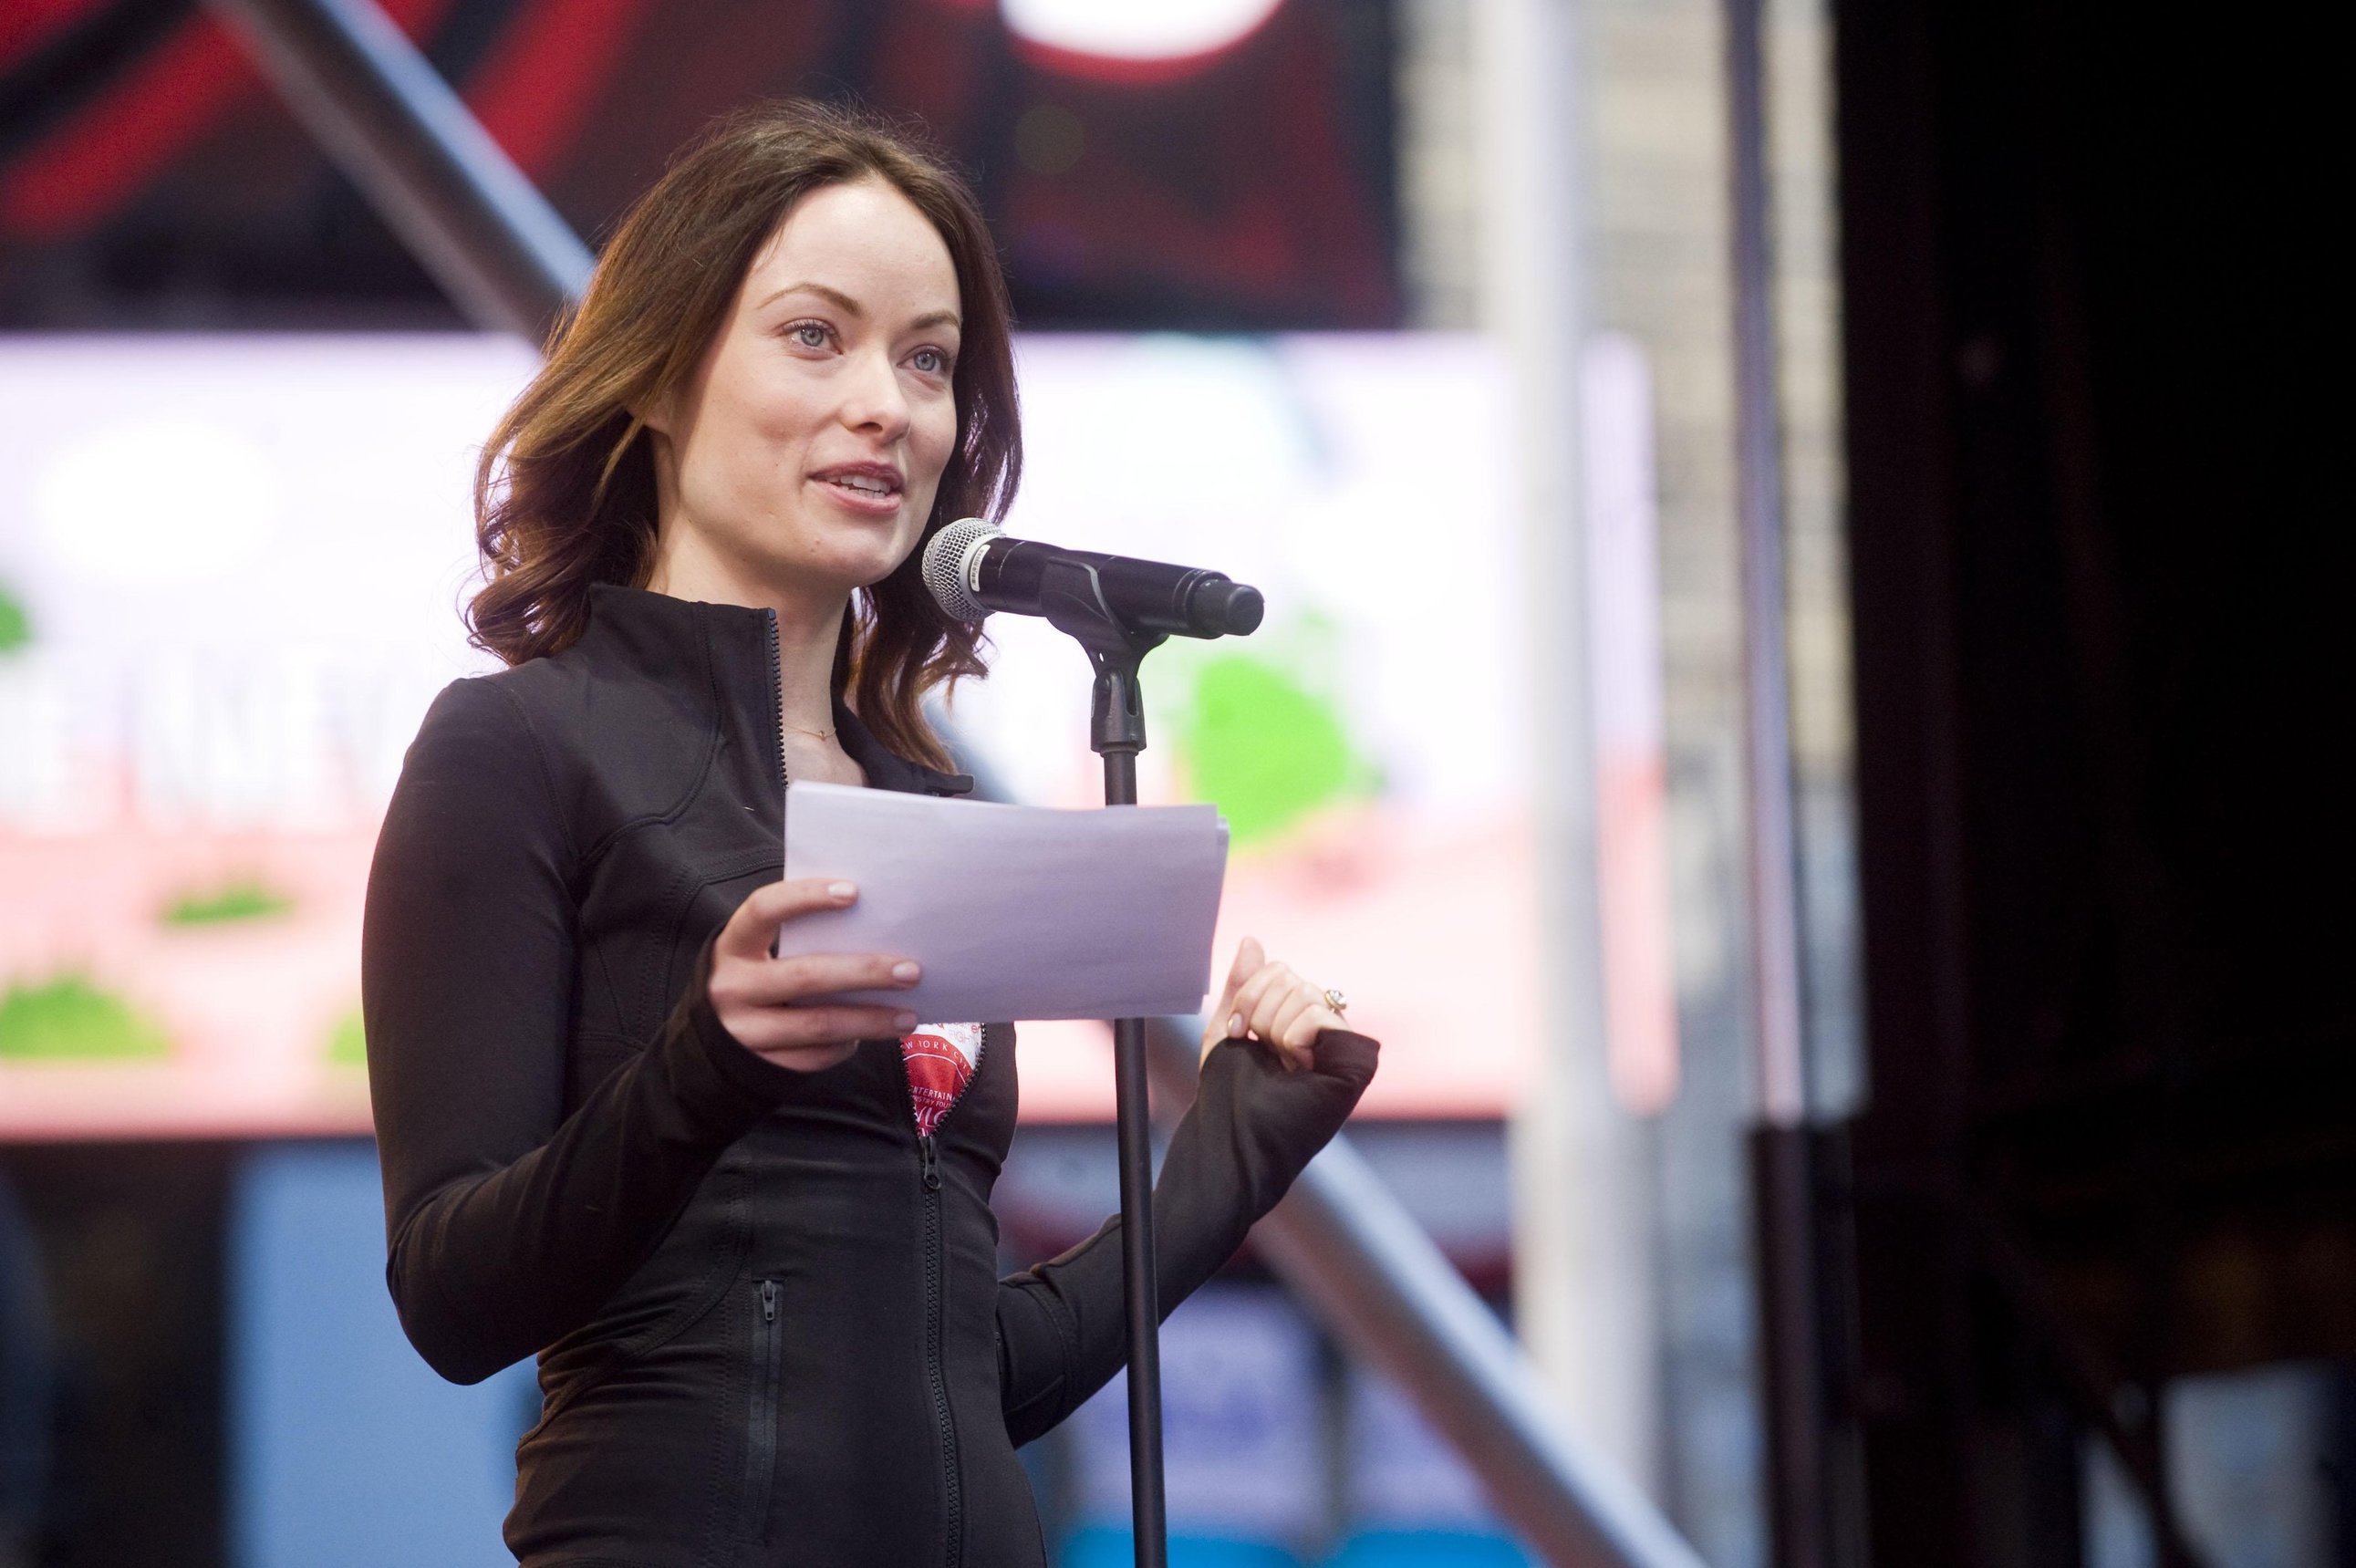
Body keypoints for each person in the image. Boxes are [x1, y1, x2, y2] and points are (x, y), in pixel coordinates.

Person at [363, 100, 1378, 1568]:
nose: (888, 407)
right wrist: (705, 1068)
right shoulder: (518, 747)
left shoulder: (925, 806)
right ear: (658, 375)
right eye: (814, 336)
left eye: (928, 361)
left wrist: (1228, 1158)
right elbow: (453, 1299)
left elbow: (966, 1377)